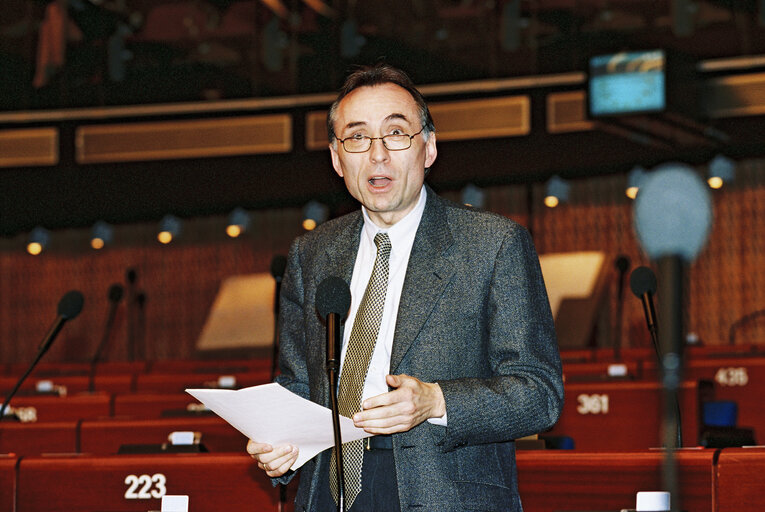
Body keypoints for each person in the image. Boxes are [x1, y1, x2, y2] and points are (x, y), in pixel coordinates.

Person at [247, 63, 564, 512]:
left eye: (395, 133)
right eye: (357, 137)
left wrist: (436, 400)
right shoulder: (311, 254)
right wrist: (282, 444)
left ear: (429, 148)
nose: (377, 155)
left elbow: (540, 394)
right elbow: (298, 385)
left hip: (444, 493)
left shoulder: (493, 245)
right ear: (337, 158)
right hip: (329, 493)